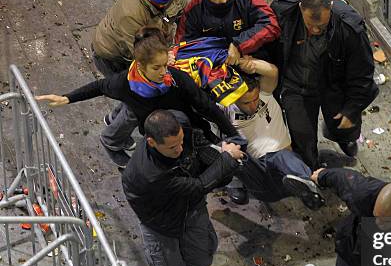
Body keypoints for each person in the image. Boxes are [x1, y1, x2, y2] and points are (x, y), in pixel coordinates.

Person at [36, 27, 239, 169]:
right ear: (141, 66)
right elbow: (98, 87)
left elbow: (206, 107)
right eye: (156, 68)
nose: (163, 73)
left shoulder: (177, 79)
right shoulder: (123, 84)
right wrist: (68, 98)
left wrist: (231, 134)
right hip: (157, 137)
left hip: (188, 129)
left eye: (165, 66)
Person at [122, 110, 244, 266]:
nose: (179, 150)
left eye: (180, 142)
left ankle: (181, 265)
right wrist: (226, 159)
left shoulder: (179, 125)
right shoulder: (152, 175)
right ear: (151, 142)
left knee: (203, 255)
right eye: (172, 148)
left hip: (189, 209)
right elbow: (198, 186)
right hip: (160, 223)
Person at [270, 0, 378, 169]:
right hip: (295, 86)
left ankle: (344, 138)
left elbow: (362, 73)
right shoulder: (283, 13)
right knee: (302, 138)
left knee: (343, 126)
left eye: (321, 26)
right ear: (300, 9)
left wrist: (352, 108)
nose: (315, 30)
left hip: (333, 85)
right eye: (310, 24)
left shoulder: (349, 28)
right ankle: (311, 173)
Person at [92, 0, 186, 164]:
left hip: (139, 50)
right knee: (138, 104)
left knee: (130, 99)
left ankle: (113, 121)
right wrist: (165, 56)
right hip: (113, 56)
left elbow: (181, 11)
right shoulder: (131, 13)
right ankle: (112, 140)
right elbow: (142, 52)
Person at [222, 56, 324, 209]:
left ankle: (309, 189)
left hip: (285, 168)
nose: (252, 106)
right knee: (229, 151)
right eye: (246, 103)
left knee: (281, 156)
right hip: (259, 173)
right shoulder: (226, 107)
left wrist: (247, 63)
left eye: (255, 99)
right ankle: (232, 182)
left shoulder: (266, 93)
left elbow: (272, 72)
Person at [174, 0, 280, 64]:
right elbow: (182, 47)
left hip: (248, 55)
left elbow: (271, 25)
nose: (224, 0)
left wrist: (240, 45)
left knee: (272, 71)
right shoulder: (194, 9)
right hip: (212, 62)